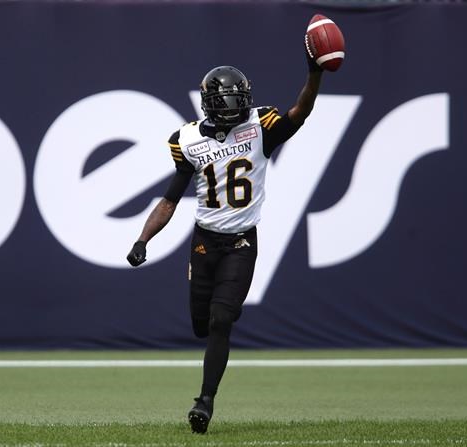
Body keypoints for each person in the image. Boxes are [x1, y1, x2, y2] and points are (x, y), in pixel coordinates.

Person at [126, 48, 325, 433]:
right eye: (226, 101)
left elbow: (301, 111)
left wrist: (314, 73)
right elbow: (169, 199)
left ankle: (205, 402)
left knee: (221, 322)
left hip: (240, 243)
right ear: (209, 104)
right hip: (204, 243)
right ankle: (224, 308)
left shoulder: (260, 126)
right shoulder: (188, 140)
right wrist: (142, 239)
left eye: (238, 99)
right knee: (202, 325)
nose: (235, 107)